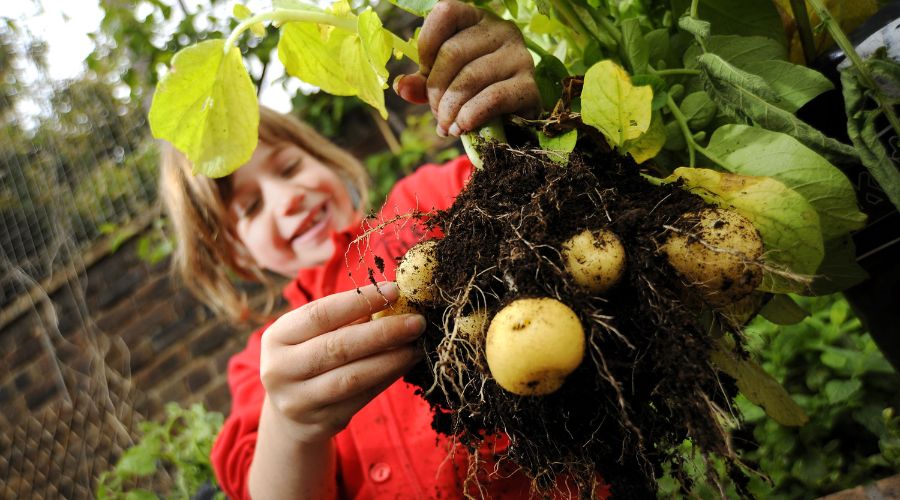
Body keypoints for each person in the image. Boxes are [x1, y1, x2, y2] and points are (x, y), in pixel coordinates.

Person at [159, 1, 550, 498]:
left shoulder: (425, 199)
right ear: (235, 254)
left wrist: (515, 117)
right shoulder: (265, 362)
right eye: (252, 207)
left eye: (288, 169)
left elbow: (534, 188)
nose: (289, 198)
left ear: (325, 158)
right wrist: (292, 425)